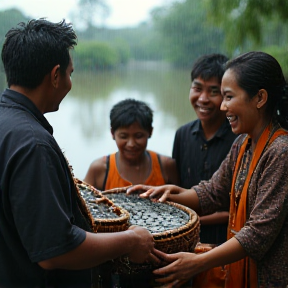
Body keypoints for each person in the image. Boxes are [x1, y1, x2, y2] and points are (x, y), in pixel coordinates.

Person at [0, 19, 160, 288]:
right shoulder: (33, 144)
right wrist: (131, 240)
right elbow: (55, 250)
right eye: (70, 74)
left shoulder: (8, 124)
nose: (70, 83)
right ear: (54, 76)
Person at [127, 51, 288, 287]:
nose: (222, 107)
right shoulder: (242, 143)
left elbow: (257, 234)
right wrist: (164, 194)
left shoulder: (280, 151)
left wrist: (199, 262)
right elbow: (212, 192)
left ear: (260, 98)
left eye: (228, 97)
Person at [172, 53, 237, 245]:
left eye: (213, 91)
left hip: (228, 242)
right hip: (187, 239)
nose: (203, 98)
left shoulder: (240, 139)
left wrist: (194, 220)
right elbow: (180, 191)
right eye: (197, 88)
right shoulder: (183, 134)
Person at [84, 98, 179, 191]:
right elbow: (81, 202)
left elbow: (182, 201)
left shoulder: (166, 166)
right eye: (123, 136)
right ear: (112, 133)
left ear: (150, 132)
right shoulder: (100, 169)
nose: (131, 144)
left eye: (138, 136)